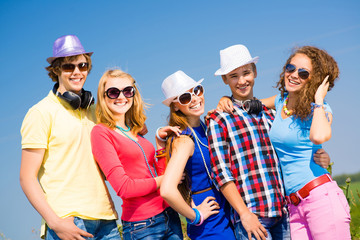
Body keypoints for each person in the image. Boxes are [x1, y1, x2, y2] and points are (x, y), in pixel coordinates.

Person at [207, 44, 331, 240]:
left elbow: (292, 150)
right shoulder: (219, 119)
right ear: (225, 79)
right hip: (253, 216)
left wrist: (320, 156)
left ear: (255, 72)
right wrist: (244, 214)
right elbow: (221, 173)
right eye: (233, 76)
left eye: (246, 73)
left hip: (284, 213)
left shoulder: (273, 114)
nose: (242, 81)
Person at [20, 35, 120, 240]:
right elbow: (26, 178)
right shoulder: (40, 112)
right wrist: (55, 223)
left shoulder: (96, 110)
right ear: (56, 69)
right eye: (69, 67)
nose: (77, 72)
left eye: (82, 66)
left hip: (106, 220)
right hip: (68, 221)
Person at [265, 46, 351, 239]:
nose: (294, 75)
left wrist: (319, 98)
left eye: (303, 73)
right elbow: (247, 105)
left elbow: (319, 137)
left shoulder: (320, 109)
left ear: (316, 80)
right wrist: (224, 101)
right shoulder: (281, 101)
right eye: (291, 68)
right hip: (294, 207)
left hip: (321, 199)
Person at [90, 69, 183, 240]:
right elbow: (124, 187)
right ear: (103, 98)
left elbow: (158, 174)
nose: (121, 97)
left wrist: (159, 143)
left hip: (170, 215)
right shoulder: (101, 132)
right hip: (142, 225)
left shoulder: (135, 131)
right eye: (113, 92)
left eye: (127, 91)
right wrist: (169, 177)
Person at [159, 71, 236, 239]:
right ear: (175, 106)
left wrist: (225, 99)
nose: (194, 98)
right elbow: (166, 190)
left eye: (197, 90)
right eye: (185, 97)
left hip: (225, 213)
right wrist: (195, 216)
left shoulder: (206, 126)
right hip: (210, 224)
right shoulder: (184, 140)